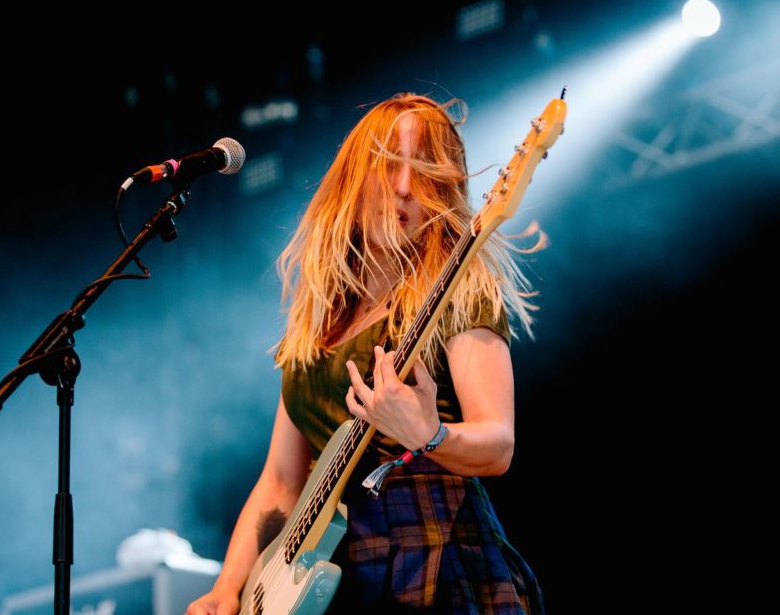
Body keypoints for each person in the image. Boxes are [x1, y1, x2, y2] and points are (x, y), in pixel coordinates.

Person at [186, 93, 545, 614]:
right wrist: (228, 587)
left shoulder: (459, 292)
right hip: (334, 578)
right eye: (390, 166)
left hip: (429, 549)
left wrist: (430, 434)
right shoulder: (318, 324)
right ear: (355, 177)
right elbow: (281, 482)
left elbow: (498, 444)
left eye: (423, 175)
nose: (403, 188)